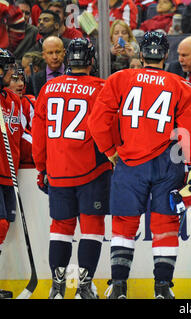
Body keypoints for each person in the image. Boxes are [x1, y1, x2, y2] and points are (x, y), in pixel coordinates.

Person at [88, 31, 191, 299]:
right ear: (166, 56)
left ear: (141, 55)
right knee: (165, 225)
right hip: (167, 161)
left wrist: (110, 151)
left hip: (129, 162)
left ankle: (118, 286)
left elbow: (96, 122)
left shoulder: (119, 78)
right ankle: (163, 288)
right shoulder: (182, 85)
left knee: (123, 224)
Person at [32, 38, 112, 299]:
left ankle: (57, 288)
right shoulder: (100, 88)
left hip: (57, 170)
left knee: (60, 227)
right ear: (91, 61)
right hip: (92, 170)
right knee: (92, 227)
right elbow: (107, 128)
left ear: (68, 59)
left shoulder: (48, 87)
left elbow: (39, 134)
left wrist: (42, 168)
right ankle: (83, 288)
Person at [0, 49, 31, 299]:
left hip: (7, 174)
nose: (13, 73)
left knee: (3, 225)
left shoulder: (14, 100)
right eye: (8, 68)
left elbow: (22, 137)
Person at [5, 67, 35, 168]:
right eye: (15, 79)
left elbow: (38, 133)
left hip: (28, 165)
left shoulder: (30, 102)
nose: (21, 84)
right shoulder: (4, 103)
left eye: (22, 79)